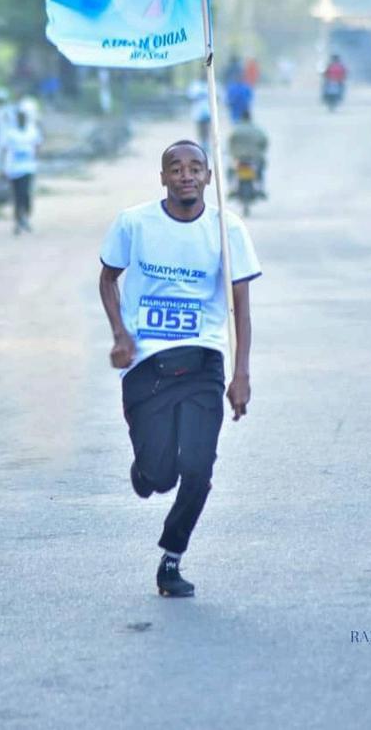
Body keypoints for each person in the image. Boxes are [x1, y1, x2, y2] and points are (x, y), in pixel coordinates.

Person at [99, 141, 261, 597]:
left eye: (195, 168)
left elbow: (242, 309)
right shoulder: (134, 223)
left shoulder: (228, 230)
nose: (186, 175)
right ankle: (147, 471)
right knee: (159, 476)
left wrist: (241, 374)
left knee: (198, 467)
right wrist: (120, 334)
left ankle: (171, 558)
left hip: (202, 361)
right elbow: (108, 278)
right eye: (176, 168)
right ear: (163, 178)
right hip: (146, 366)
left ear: (209, 176)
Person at [0, 107, 41, 235]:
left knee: (25, 194)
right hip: (14, 169)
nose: (21, 119)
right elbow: (4, 150)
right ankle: (18, 221)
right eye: (19, 117)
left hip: (27, 168)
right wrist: (2, 167)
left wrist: (35, 158)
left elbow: (37, 145)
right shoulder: (10, 133)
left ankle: (25, 215)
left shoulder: (32, 131)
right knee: (17, 196)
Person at [228, 110, 269, 196]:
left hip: (239, 157)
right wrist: (260, 150)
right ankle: (261, 188)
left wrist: (233, 152)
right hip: (254, 157)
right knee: (261, 169)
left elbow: (230, 142)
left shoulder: (236, 129)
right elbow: (264, 141)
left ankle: (231, 188)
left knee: (230, 170)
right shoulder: (257, 130)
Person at [186, 77, 211, 152]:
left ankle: (206, 144)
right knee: (200, 129)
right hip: (198, 112)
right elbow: (190, 97)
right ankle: (202, 145)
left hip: (208, 111)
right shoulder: (195, 85)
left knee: (207, 129)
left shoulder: (210, 83)